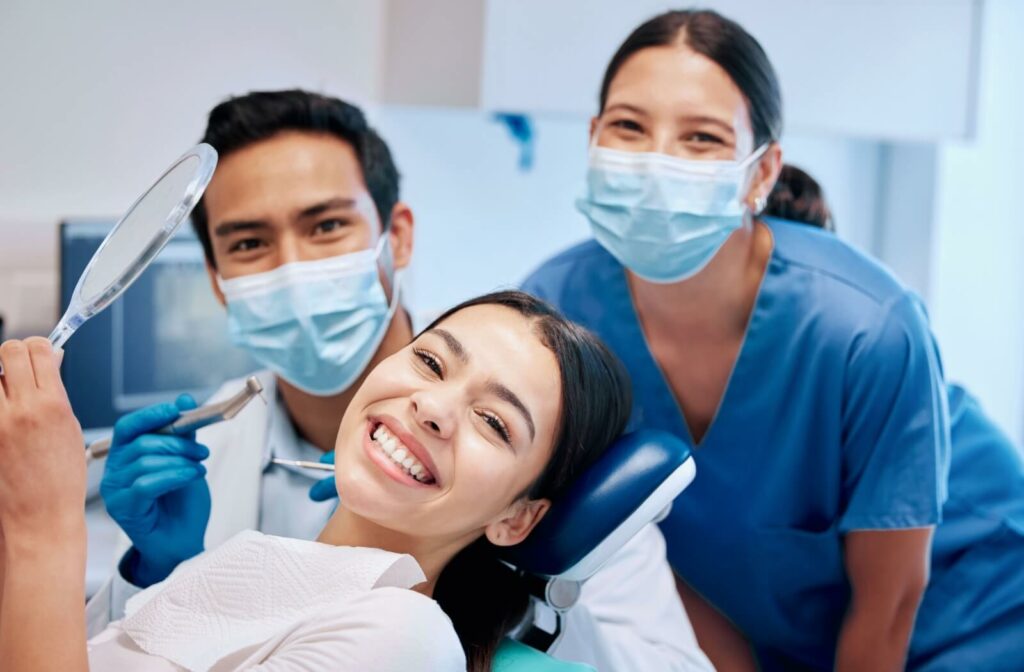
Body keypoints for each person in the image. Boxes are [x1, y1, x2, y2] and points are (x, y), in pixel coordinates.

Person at [86, 90, 712, 671]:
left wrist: (522, 591)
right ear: (219, 280)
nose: (294, 267)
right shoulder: (204, 451)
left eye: (327, 225)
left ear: (399, 235)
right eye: (250, 242)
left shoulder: (555, 472)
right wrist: (160, 571)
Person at [523, 8, 1024, 671]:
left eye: (700, 138)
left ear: (761, 174)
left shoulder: (865, 327)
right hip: (783, 632)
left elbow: (893, 599)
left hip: (970, 608)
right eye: (628, 127)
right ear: (592, 138)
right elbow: (636, 552)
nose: (654, 164)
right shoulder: (560, 315)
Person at [0, 291, 635, 670]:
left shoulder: (403, 638)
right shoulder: (260, 566)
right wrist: (166, 569)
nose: (433, 408)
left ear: (516, 518)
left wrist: (41, 528)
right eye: (431, 361)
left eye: (494, 422)